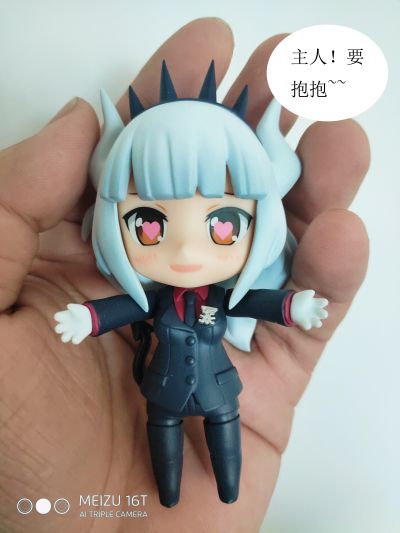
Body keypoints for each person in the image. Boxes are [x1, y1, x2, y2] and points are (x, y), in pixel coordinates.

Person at [0, 17, 369, 532]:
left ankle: (228, 488)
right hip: (163, 392)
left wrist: (294, 306)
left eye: (224, 225)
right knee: (165, 449)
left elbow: (257, 304)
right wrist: (87, 319)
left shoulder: (223, 297)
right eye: (147, 225)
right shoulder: (153, 300)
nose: (187, 251)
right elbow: (122, 309)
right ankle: (169, 494)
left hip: (221, 390)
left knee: (227, 445)